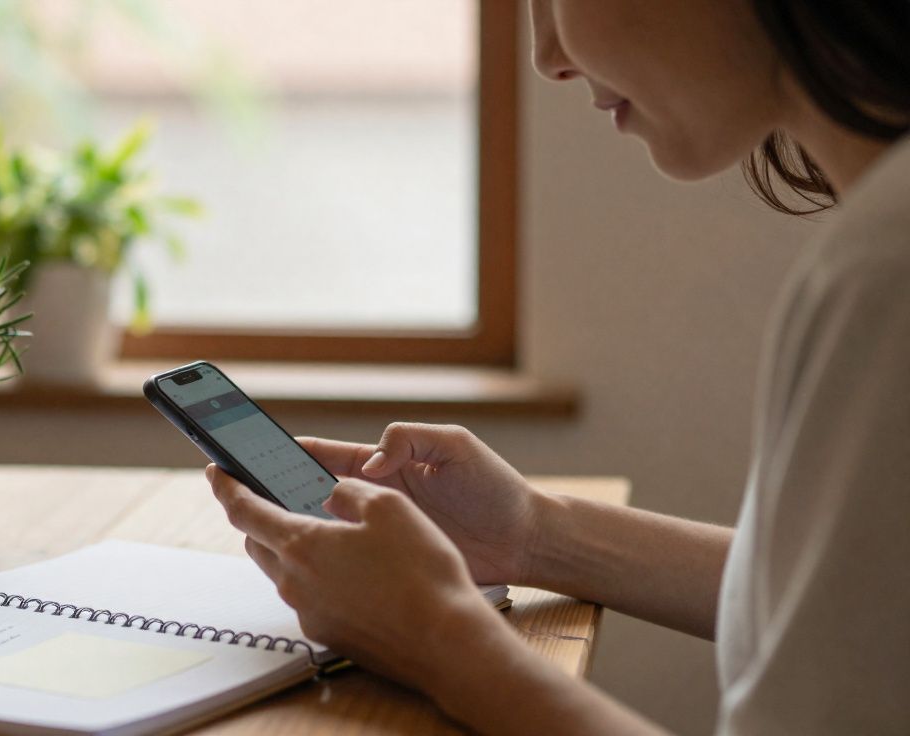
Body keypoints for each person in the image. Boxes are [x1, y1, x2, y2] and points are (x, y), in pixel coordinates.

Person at [205, 1, 910, 733]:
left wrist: (436, 639)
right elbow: (864, 601)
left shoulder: (888, 270)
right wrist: (532, 536)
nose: (548, 54)